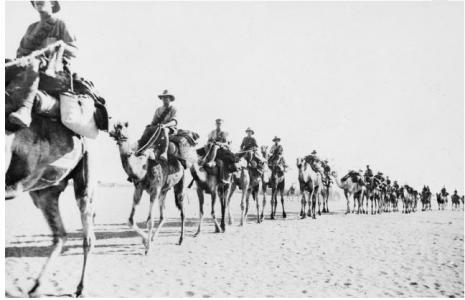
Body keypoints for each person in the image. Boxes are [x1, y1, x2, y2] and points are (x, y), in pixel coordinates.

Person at [8, 0, 78, 128]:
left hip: (54, 73)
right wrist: (20, 59)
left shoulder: (60, 24)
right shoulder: (31, 28)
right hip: (29, 68)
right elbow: (21, 52)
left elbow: (75, 51)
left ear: (52, 3)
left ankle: (25, 109)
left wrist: (62, 46)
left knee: (34, 63)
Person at [136, 90, 178, 162]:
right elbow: (154, 122)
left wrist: (165, 125)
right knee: (148, 128)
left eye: (167, 97)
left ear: (170, 99)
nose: (165, 99)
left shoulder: (173, 109)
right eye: (163, 97)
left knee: (164, 130)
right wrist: (150, 127)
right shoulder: (158, 110)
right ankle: (139, 146)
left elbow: (174, 121)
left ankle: (164, 152)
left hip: (169, 128)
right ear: (161, 99)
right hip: (158, 127)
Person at [201, 118, 231, 183]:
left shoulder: (225, 133)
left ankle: (212, 161)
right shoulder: (212, 132)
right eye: (217, 123)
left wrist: (218, 143)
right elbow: (208, 140)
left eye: (220, 124)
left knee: (215, 148)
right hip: (211, 147)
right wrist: (210, 141)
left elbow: (226, 143)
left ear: (222, 124)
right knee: (204, 147)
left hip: (221, 149)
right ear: (215, 124)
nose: (218, 125)